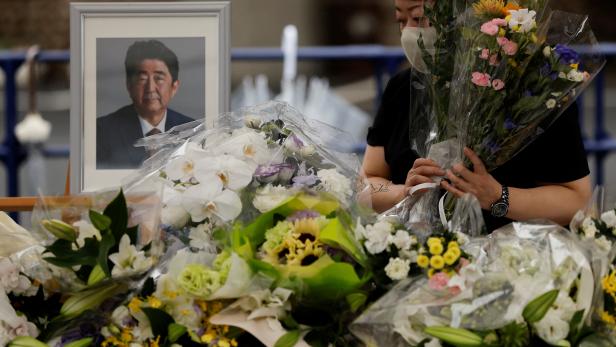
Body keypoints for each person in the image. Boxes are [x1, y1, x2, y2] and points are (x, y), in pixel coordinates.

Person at [362, 0, 591, 231]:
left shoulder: (535, 89)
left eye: (420, 18)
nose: (409, 32)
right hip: (420, 256)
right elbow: (368, 181)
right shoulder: (401, 89)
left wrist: (497, 197)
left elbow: (575, 201)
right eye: (401, 20)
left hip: (514, 257)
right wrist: (402, 192)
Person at [97, 39, 194, 169]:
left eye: (159, 78)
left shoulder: (191, 131)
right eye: (142, 79)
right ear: (129, 85)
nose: (150, 88)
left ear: (174, 87)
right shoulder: (102, 131)